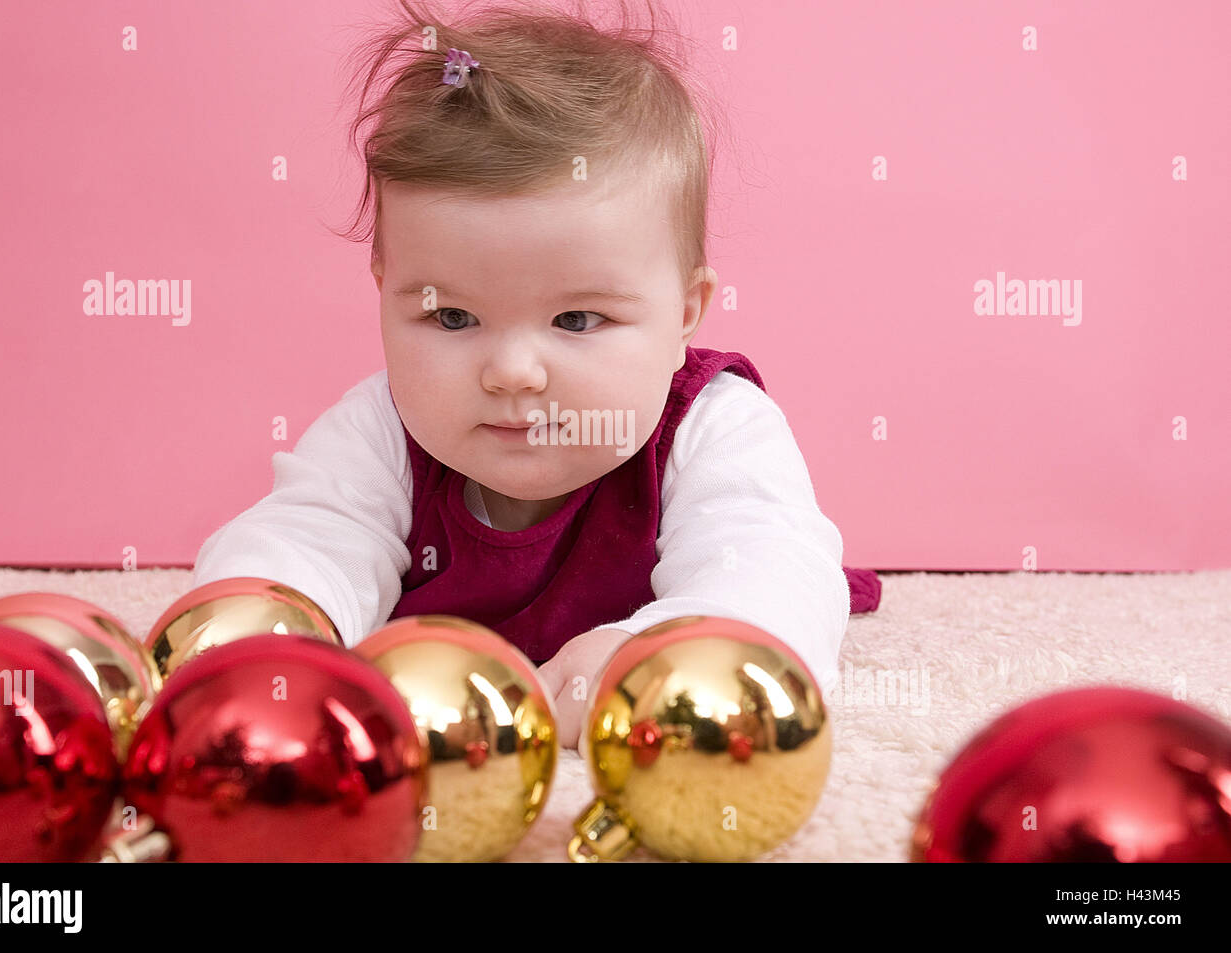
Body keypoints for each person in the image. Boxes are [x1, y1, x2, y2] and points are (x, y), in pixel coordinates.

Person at [192, 0, 855, 747]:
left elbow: (774, 571)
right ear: (384, 288)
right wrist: (270, 620)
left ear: (683, 314)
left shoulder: (713, 424)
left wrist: (654, 657)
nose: (511, 372)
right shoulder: (383, 428)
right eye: (452, 318)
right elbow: (309, 535)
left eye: (576, 321)